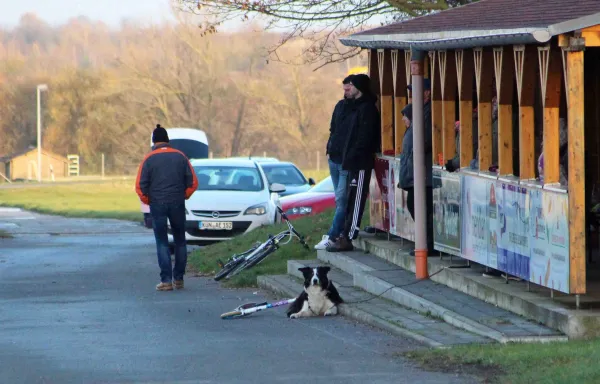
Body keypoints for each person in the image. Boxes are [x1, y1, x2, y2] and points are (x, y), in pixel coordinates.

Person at [136, 124, 199, 291]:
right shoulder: (181, 157)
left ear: (154, 141)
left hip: (157, 204)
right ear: (167, 140)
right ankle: (179, 279)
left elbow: (140, 187)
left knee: (162, 241)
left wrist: (149, 200)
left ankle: (166, 281)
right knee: (180, 241)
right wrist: (183, 195)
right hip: (177, 203)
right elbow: (193, 183)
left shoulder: (148, 159)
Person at [326, 74, 381, 252]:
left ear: (359, 86)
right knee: (346, 200)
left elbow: (364, 138)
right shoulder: (347, 107)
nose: (347, 89)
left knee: (353, 199)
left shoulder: (368, 109)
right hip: (343, 160)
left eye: (350, 85)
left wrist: (354, 154)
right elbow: (335, 130)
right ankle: (342, 233)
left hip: (359, 162)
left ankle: (345, 236)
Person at [314, 75, 355, 250]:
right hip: (334, 158)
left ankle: (333, 235)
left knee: (341, 200)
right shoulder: (340, 106)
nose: (345, 92)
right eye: (344, 89)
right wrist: (329, 150)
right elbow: (333, 129)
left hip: (345, 161)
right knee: (340, 200)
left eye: (348, 89)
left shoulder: (359, 110)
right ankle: (339, 232)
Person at [398, 80, 435, 255]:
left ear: (426, 92)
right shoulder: (419, 111)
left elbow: (427, 139)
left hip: (424, 171)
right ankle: (424, 243)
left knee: (421, 207)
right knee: (416, 205)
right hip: (417, 171)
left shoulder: (429, 112)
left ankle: (427, 244)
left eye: (416, 91)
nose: (413, 95)